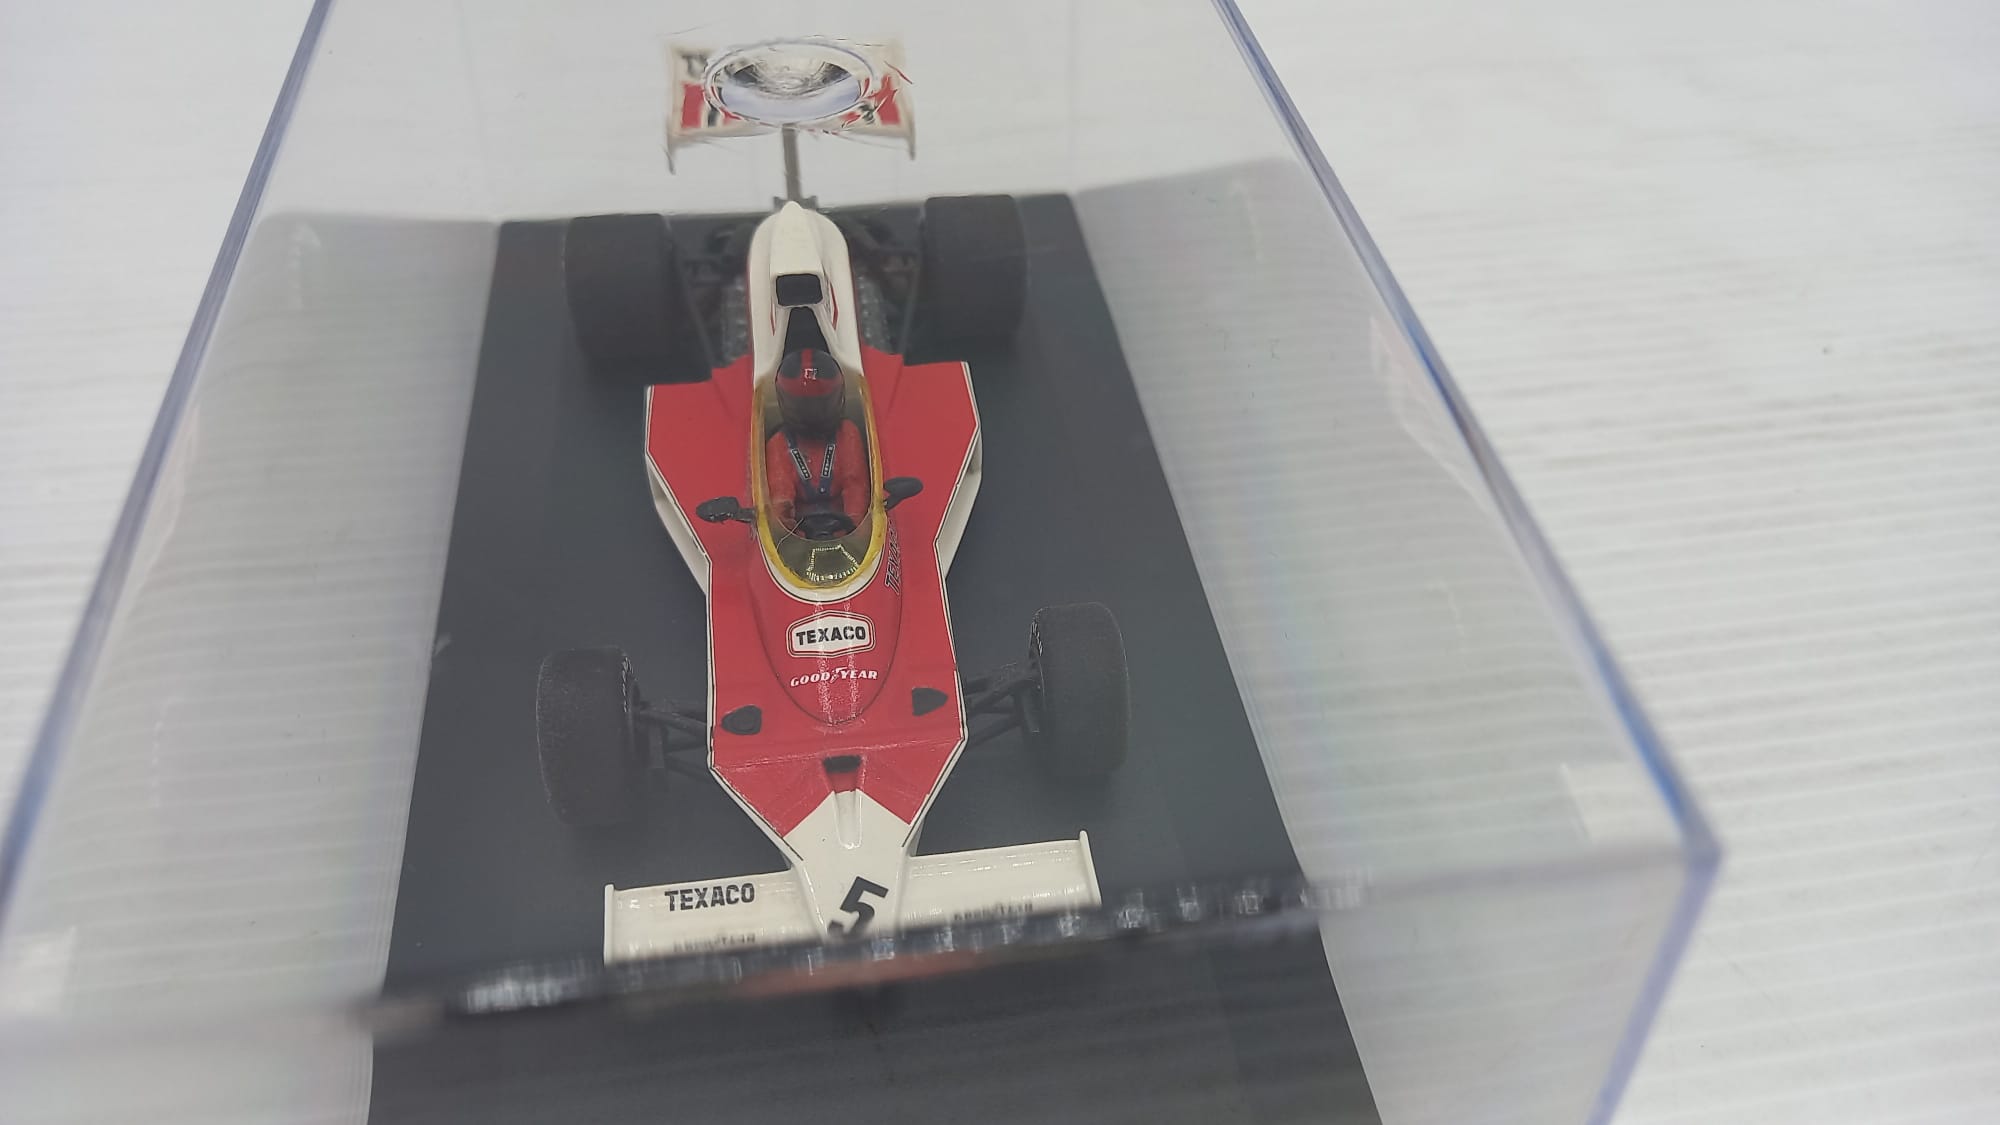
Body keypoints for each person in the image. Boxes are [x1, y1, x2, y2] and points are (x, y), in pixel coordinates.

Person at [765, 346, 868, 539]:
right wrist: (791, 533)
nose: (812, 414)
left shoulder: (847, 434)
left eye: (820, 406)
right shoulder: (778, 444)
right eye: (804, 407)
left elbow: (855, 488)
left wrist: (853, 530)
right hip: (799, 539)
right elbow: (780, 503)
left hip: (847, 536)